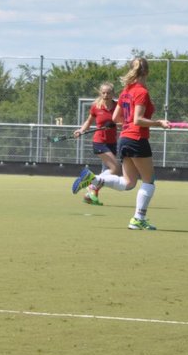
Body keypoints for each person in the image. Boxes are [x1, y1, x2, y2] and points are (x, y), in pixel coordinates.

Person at [72, 56, 170, 230]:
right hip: (137, 139)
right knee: (149, 181)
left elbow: (116, 117)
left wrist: (129, 123)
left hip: (124, 139)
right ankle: (138, 219)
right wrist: (158, 123)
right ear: (147, 72)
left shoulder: (126, 91)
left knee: (128, 183)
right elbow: (138, 120)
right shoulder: (141, 92)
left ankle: (94, 179)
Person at [71, 82, 119, 206]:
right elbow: (89, 121)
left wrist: (116, 124)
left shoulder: (118, 107)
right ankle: (92, 184)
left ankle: (90, 196)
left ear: (113, 94)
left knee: (106, 171)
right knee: (115, 169)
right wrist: (81, 130)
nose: (106, 95)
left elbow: (123, 122)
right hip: (99, 142)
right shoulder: (96, 107)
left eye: (108, 93)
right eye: (103, 93)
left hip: (112, 143)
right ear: (100, 93)